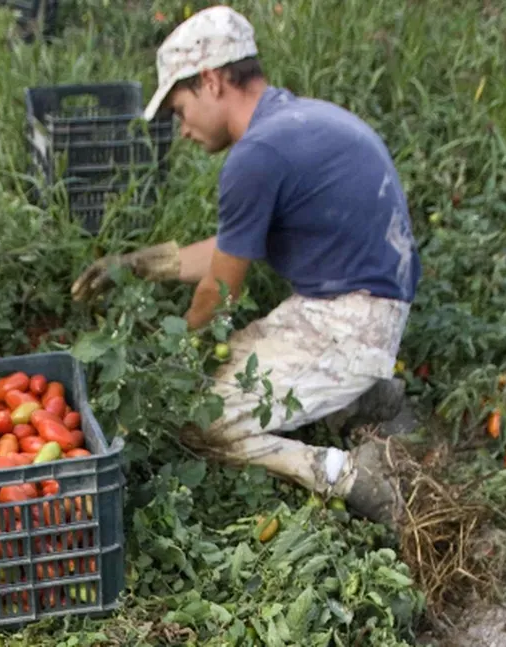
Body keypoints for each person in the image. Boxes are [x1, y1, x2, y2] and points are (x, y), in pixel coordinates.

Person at [71, 6, 420, 527]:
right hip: (359, 307)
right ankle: (368, 396)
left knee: (198, 419)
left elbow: (219, 291)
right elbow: (233, 245)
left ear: (211, 81)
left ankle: (345, 475)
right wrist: (144, 265)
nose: (181, 127)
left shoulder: (257, 155)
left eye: (179, 107)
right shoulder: (298, 122)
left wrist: (177, 368)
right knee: (231, 372)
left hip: (349, 323)